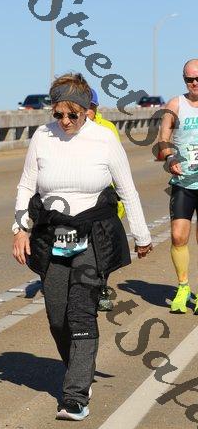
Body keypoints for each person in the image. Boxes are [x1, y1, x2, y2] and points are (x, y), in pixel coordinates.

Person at [12, 73, 152, 421]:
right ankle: (79, 368)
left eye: (72, 114)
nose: (65, 121)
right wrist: (20, 229)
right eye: (58, 114)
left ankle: (75, 395)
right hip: (51, 233)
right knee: (57, 316)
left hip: (92, 233)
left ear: (87, 109)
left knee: (80, 311)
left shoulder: (104, 139)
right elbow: (27, 186)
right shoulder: (42, 137)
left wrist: (141, 234)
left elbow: (127, 189)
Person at [158, 59, 198, 314]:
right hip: (184, 182)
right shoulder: (175, 104)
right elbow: (163, 138)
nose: (194, 83)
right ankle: (183, 287)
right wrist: (170, 158)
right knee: (178, 236)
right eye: (189, 79)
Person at [87, 88, 125, 311]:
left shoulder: (107, 129)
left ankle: (101, 289)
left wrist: (119, 198)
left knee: (103, 248)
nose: (87, 111)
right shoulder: (68, 129)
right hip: (79, 199)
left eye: (90, 107)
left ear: (96, 108)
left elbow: (117, 165)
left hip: (104, 200)